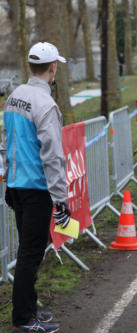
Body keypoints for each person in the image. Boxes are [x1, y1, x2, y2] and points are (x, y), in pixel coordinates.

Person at [1, 42, 71, 333]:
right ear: (53, 67)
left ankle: (29, 308)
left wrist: (4, 169)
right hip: (36, 189)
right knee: (30, 253)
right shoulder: (46, 105)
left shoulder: (15, 95)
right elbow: (53, 156)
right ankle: (22, 319)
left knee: (33, 247)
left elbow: (5, 137)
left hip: (16, 186)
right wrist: (62, 199)